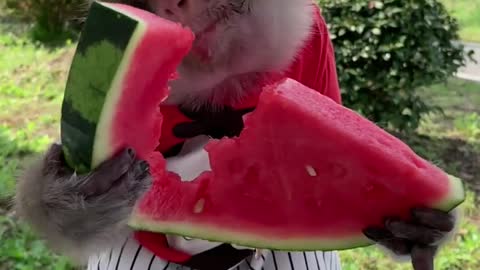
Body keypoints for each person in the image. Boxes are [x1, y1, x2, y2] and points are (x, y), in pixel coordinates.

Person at [15, 1, 456, 270]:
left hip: (289, 230)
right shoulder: (124, 46)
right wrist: (58, 202)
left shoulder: (307, 30)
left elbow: (342, 157)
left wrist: (405, 212)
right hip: (146, 245)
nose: (169, 4)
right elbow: (79, 168)